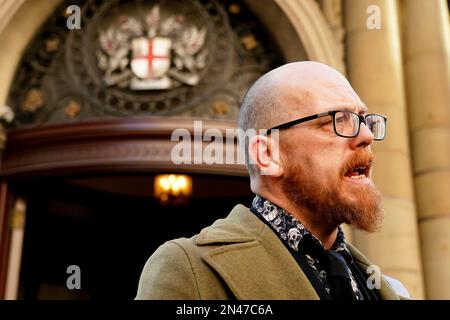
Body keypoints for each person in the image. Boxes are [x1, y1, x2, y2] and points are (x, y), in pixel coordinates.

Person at [135, 61, 410, 300]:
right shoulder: (190, 270)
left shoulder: (385, 288)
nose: (366, 136)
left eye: (364, 119)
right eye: (339, 119)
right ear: (267, 154)